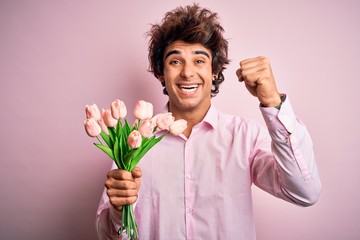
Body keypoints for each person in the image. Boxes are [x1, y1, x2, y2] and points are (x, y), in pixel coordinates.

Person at [96, 4, 321, 240]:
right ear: (161, 73)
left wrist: (273, 102)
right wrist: (119, 210)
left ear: (214, 71)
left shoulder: (246, 137)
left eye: (199, 61)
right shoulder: (133, 143)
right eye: (175, 61)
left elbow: (305, 192)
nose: (187, 72)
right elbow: (106, 235)